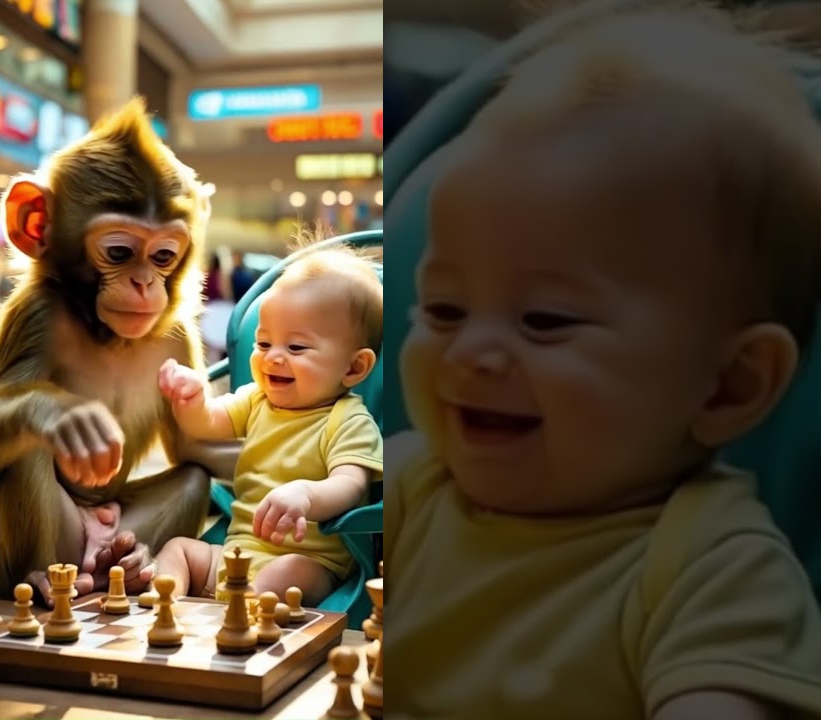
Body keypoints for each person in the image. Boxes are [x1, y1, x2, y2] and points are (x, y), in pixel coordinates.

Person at [387, 5, 821, 718]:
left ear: (730, 386)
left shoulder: (711, 567)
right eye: (443, 311)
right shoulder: (407, 490)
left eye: (547, 320)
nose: (469, 351)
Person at [152, 245, 383, 606]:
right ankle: (166, 604)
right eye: (263, 342)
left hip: (309, 561)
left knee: (283, 573)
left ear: (353, 368)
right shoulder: (256, 398)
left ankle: (235, 615)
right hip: (237, 552)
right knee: (179, 550)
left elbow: (351, 485)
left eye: (295, 347)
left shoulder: (347, 419)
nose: (272, 356)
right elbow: (206, 425)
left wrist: (305, 495)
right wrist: (191, 400)